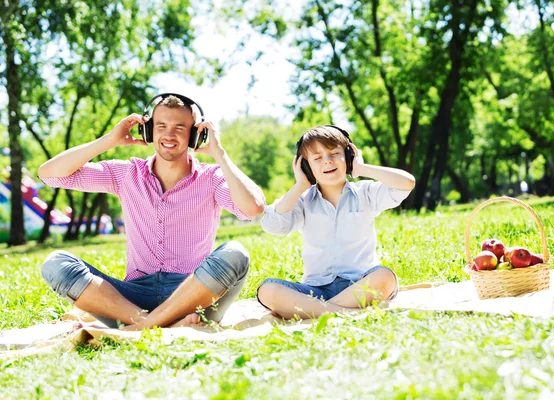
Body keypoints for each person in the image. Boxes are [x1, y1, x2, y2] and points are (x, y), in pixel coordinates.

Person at [37, 94, 265, 330]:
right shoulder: (126, 174)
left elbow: (254, 208)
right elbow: (49, 175)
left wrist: (221, 155)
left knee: (236, 253)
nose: (169, 134)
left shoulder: (213, 178)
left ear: (196, 135)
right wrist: (109, 141)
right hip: (132, 298)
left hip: (194, 295)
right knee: (56, 264)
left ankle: (142, 328)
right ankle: (151, 323)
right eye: (161, 126)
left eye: (180, 127)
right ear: (148, 131)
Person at [257, 125, 415, 319]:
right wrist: (300, 185)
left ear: (348, 156)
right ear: (306, 167)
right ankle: (342, 313)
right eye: (317, 158)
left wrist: (361, 168)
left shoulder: (366, 192)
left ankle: (320, 311)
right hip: (315, 290)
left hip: (359, 285)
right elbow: (271, 225)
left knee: (385, 277)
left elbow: (406, 183)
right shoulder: (302, 200)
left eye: (334, 153)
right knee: (267, 290)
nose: (328, 161)